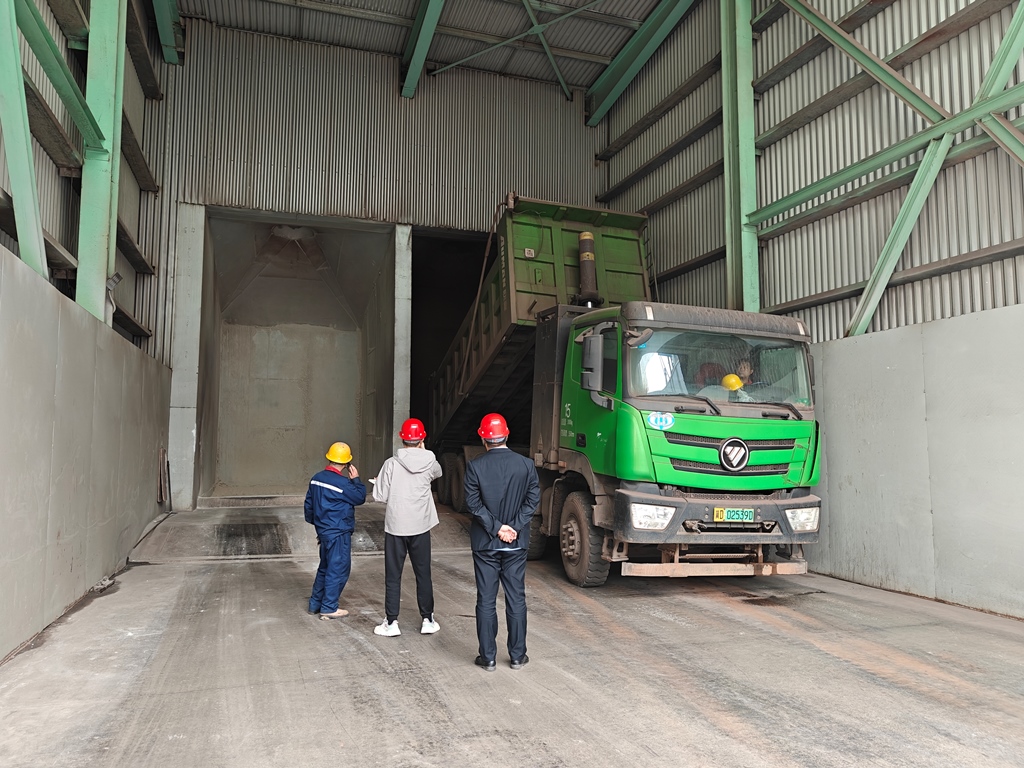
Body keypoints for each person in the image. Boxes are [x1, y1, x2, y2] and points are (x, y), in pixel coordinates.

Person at [463, 413, 541, 672]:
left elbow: (473, 504)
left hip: (485, 543)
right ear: (507, 434)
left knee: (486, 599)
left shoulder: (475, 466)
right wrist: (513, 527)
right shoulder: (526, 465)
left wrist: (496, 528)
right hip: (515, 544)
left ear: (483, 438)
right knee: (516, 598)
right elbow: (532, 501)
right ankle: (518, 656)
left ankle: (488, 658)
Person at [371, 418, 443, 638]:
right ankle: (427, 620)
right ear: (422, 439)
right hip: (421, 526)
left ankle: (392, 622)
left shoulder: (391, 464)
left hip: (396, 527)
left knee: (393, 576)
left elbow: (380, 495)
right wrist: (424, 452)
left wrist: (380, 482)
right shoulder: (431, 461)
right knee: (423, 573)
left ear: (401, 438)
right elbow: (437, 474)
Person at [304, 441, 366, 620]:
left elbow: (309, 506)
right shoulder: (343, 484)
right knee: (337, 569)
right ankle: (329, 607)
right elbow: (360, 497)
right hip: (338, 532)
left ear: (329, 458)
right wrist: (356, 480)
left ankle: (315, 604)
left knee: (324, 567)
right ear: (346, 463)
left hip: (324, 532)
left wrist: (319, 525)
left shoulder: (316, 478)